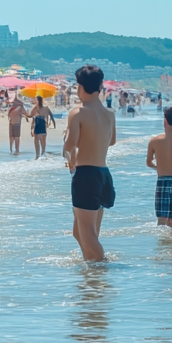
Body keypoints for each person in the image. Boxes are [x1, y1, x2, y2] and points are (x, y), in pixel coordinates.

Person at [63, 65, 117, 262]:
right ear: (100, 87)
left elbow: (70, 145)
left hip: (86, 175)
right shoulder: (109, 114)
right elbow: (112, 141)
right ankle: (91, 274)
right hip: (103, 174)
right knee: (80, 233)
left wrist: (67, 136)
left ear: (80, 87)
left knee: (88, 235)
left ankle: (102, 271)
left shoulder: (77, 113)